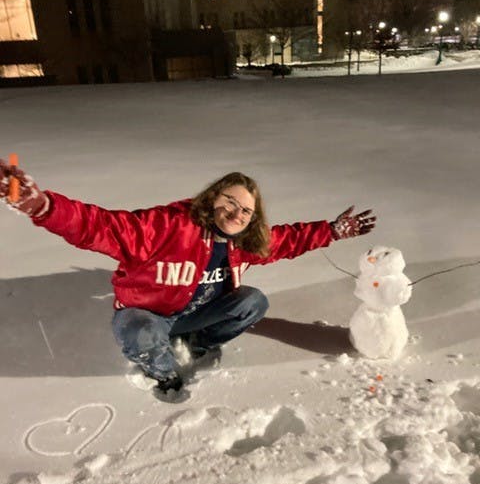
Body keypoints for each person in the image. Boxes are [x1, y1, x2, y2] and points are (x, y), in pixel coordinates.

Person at [0, 161, 376, 394]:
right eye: (230, 202)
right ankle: (165, 375)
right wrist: (43, 206)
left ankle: (197, 345)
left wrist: (332, 230)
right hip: (148, 314)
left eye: (246, 210)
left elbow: (288, 239)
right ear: (212, 198)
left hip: (197, 314)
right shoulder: (168, 226)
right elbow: (100, 225)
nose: (237, 213)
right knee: (139, 332)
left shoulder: (245, 240)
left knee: (253, 302)